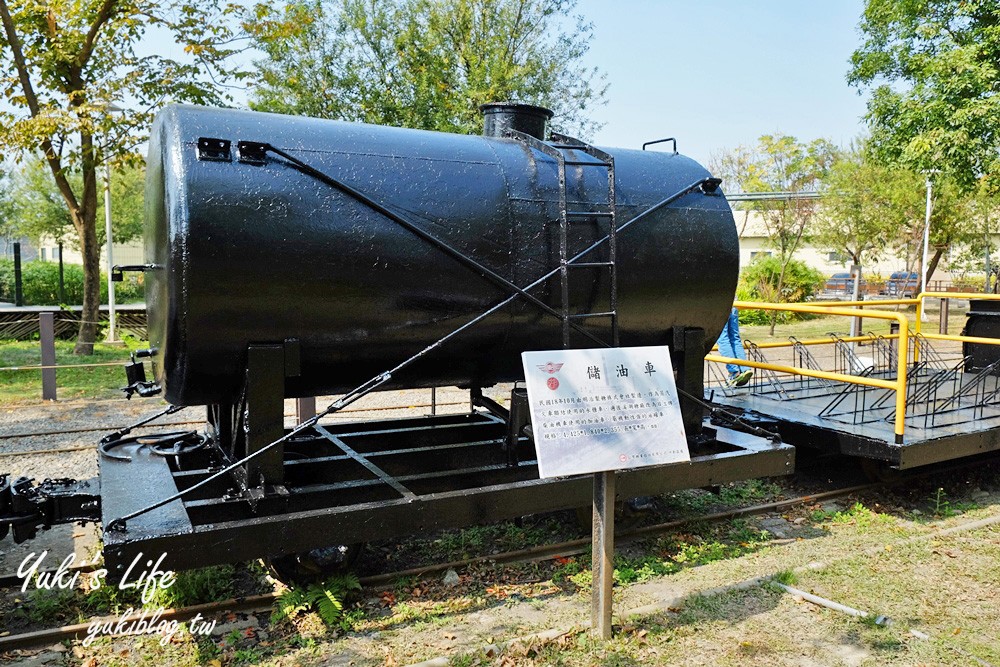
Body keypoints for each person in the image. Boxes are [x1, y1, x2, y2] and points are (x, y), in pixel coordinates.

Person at [717, 307, 753, 387]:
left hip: (720, 304)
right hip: (733, 304)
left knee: (722, 338)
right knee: (734, 337)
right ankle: (744, 368)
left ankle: (734, 372)